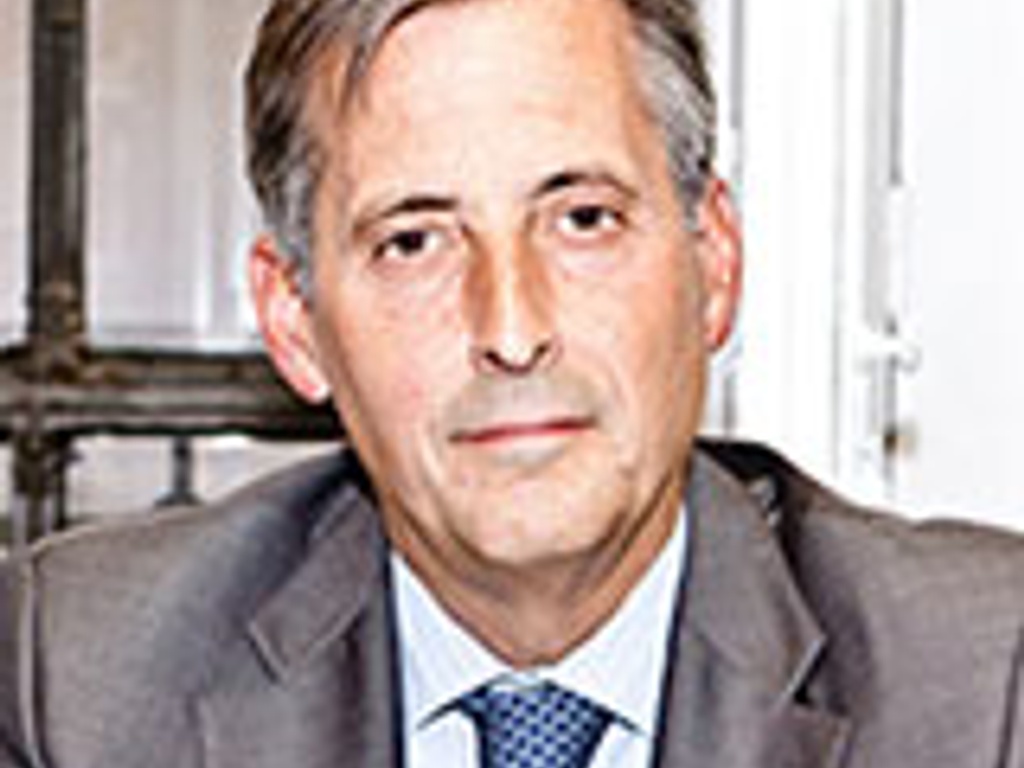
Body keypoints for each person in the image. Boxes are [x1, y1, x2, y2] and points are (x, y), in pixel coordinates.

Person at [3, 0, 1024, 765]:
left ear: (711, 261)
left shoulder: (985, 689)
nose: (512, 327)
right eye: (414, 242)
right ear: (295, 320)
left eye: (581, 218)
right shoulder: (85, 680)